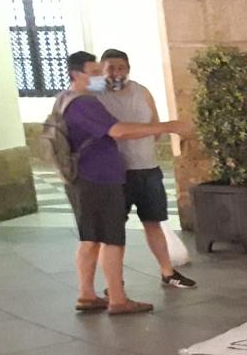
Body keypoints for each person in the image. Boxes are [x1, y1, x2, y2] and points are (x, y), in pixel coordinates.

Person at [61, 51, 188, 315]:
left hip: (91, 177)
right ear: (76, 75)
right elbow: (119, 131)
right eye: (95, 72)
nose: (102, 77)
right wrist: (167, 127)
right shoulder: (85, 103)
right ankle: (117, 299)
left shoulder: (67, 100)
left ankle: (87, 295)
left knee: (92, 237)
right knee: (111, 238)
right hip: (99, 179)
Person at [95, 48, 196, 289]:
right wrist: (163, 128)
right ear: (102, 70)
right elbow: (120, 129)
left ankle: (167, 271)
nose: (117, 73)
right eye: (111, 69)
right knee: (113, 230)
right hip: (116, 173)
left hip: (147, 168)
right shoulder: (94, 94)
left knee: (154, 221)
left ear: (128, 69)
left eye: (121, 68)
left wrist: (155, 133)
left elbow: (153, 123)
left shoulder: (141, 91)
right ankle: (114, 283)